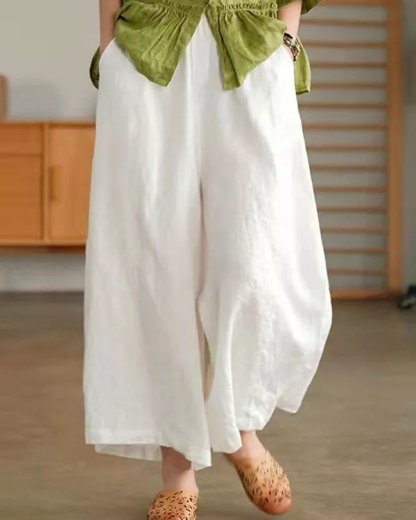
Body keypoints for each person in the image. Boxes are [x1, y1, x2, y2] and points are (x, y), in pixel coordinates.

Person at [84, 0, 332, 518]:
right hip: (149, 47)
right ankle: (178, 470)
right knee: (153, 263)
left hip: (250, 46)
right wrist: (109, 49)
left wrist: (286, 43)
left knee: (257, 260)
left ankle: (239, 428)